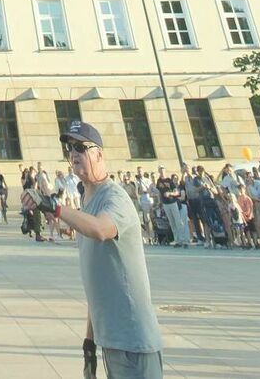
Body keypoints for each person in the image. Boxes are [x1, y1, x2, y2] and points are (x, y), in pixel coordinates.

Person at [56, 120, 163, 379]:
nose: (73, 154)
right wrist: (89, 341)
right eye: (69, 148)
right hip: (111, 340)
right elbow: (99, 283)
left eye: (80, 147)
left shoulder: (115, 198)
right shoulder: (87, 202)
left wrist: (57, 209)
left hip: (132, 340)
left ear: (99, 154)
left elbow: (101, 229)